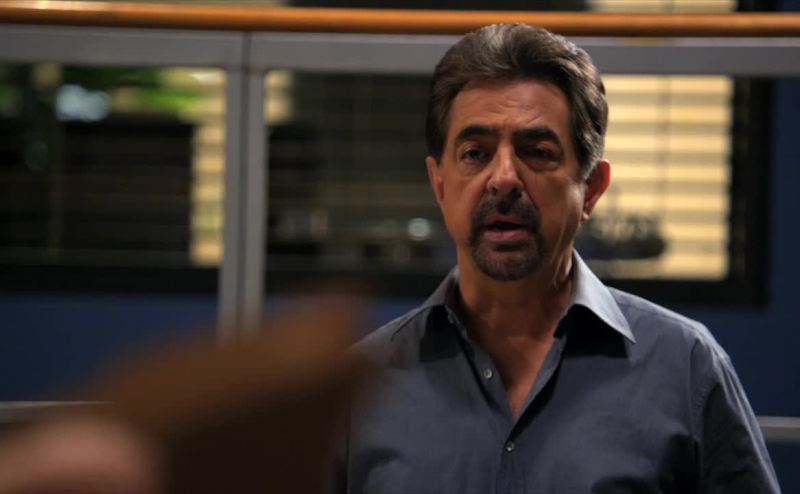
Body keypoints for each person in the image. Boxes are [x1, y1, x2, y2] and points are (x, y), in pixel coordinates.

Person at [331, 24, 780, 493]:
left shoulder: (686, 368)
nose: (504, 178)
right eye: (475, 153)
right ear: (439, 184)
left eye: (538, 152)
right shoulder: (360, 387)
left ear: (592, 189)